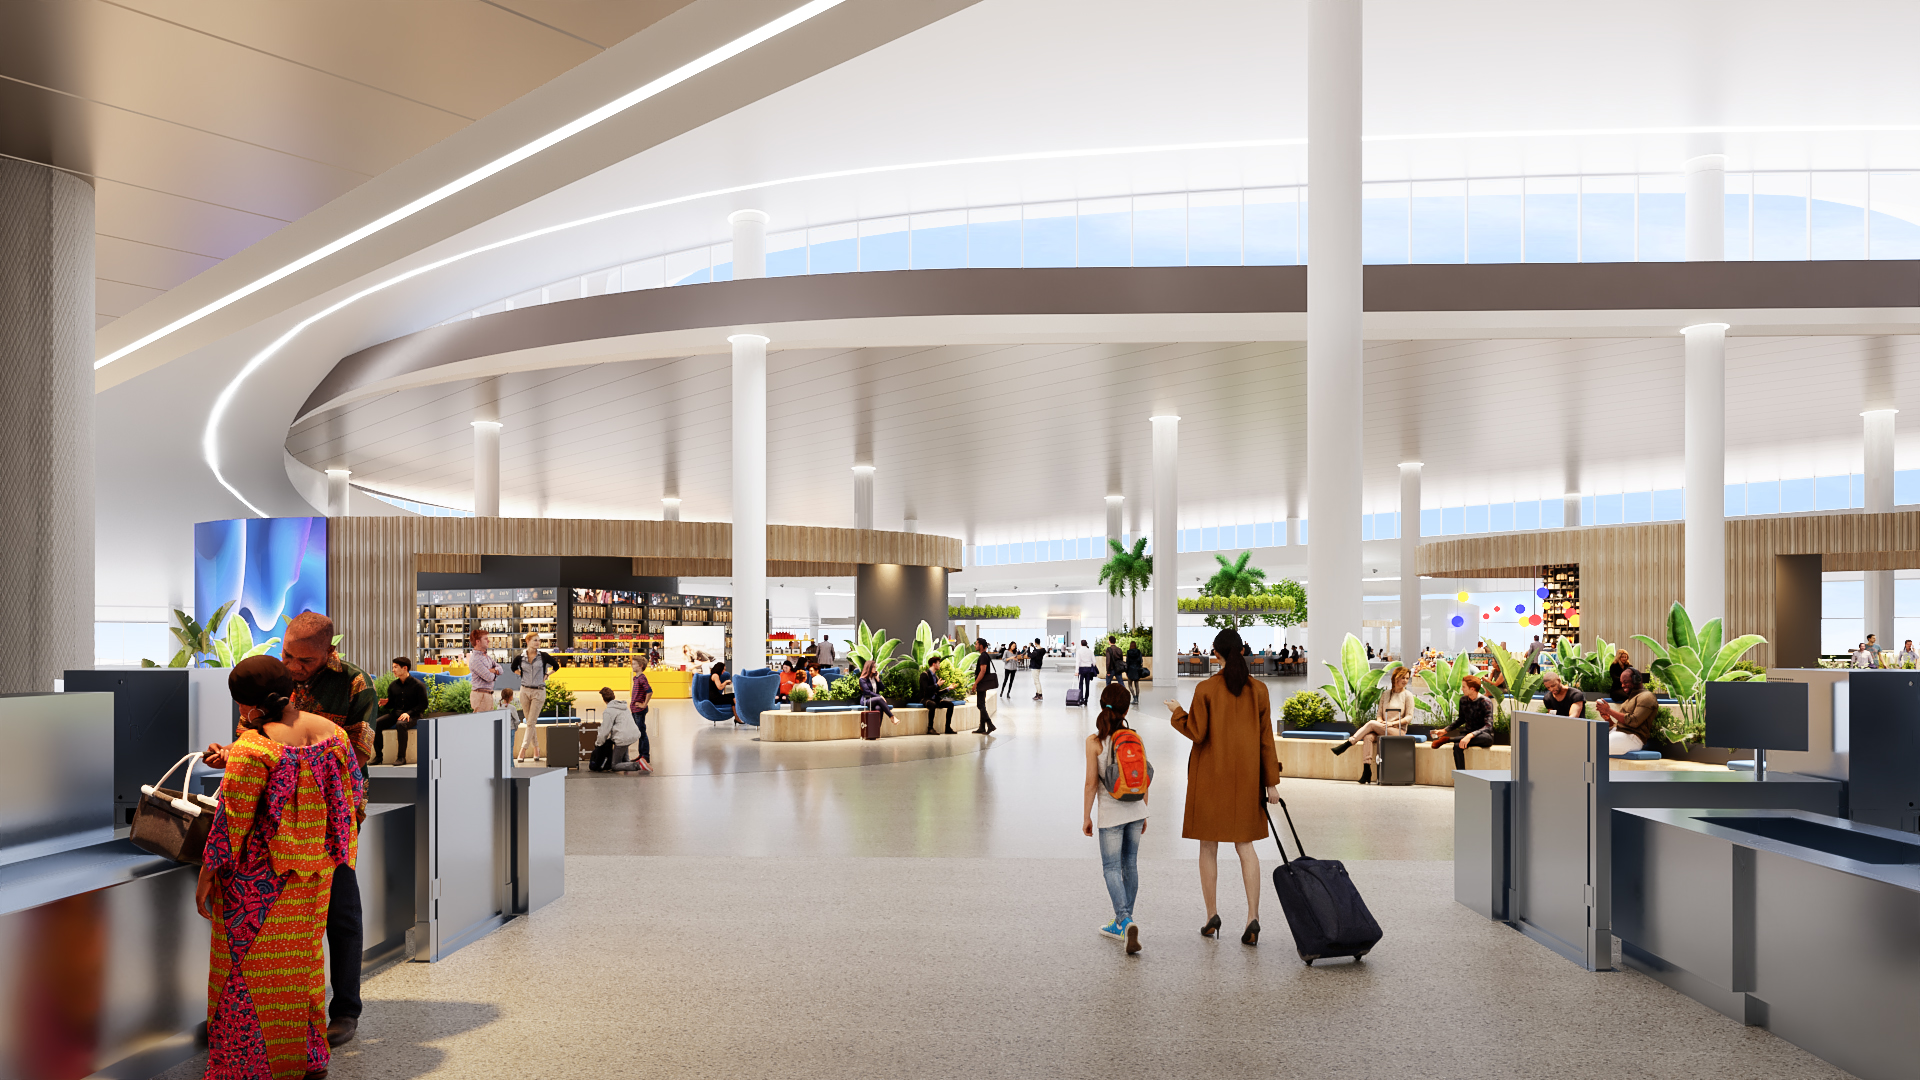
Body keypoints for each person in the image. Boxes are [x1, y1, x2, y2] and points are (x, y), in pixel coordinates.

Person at [198, 656, 364, 1080]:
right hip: (315, 875)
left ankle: (245, 1064)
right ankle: (308, 1059)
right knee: (303, 966)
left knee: (241, 972)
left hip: (258, 882)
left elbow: (231, 821)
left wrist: (207, 874)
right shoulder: (334, 736)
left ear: (248, 706)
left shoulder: (254, 748)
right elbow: (353, 799)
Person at [1166, 628, 1281, 947]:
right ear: (1242, 651)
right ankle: (1253, 917)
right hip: (1246, 779)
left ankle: (1212, 916)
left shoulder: (1205, 689)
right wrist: (1271, 781)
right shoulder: (1259, 690)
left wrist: (1177, 712)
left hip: (1210, 779)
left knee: (1208, 846)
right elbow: (1265, 739)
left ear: (1215, 654)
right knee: (1246, 848)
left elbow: (1197, 732)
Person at [1083, 682, 1147, 955]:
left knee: (1111, 868)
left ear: (1102, 706)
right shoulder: (1134, 737)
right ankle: (1124, 922)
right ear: (1126, 709)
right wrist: (1145, 811)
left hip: (1110, 814)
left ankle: (1124, 919)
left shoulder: (1094, 742)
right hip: (1136, 810)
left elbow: (1090, 783)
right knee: (1129, 865)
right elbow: (1146, 777)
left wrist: (1086, 815)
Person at [1330, 664, 1414, 784]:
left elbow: (1409, 717)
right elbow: (1379, 713)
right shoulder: (1385, 694)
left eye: (1407, 678)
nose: (1405, 681)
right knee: (1368, 737)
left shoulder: (1408, 695)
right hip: (1383, 728)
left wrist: (1392, 723)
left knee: (1370, 724)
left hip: (1397, 731)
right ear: (1395, 678)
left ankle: (1349, 743)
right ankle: (1367, 771)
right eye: (1403, 678)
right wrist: (1380, 721)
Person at [1429, 673, 1495, 770]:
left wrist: (1471, 735)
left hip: (1482, 735)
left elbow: (1488, 726)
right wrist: (1445, 730)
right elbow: (1461, 719)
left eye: (1464, 687)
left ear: (1472, 689)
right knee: (1457, 745)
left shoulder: (1486, 702)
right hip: (1465, 734)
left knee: (1486, 738)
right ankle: (1461, 776)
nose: (1462, 689)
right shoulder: (1463, 700)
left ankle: (1447, 739)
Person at [370, 656, 427, 766]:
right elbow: (392, 705)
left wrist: (408, 713)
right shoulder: (393, 685)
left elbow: (423, 705)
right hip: (396, 713)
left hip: (414, 715)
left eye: (396, 667)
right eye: (393, 667)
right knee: (376, 723)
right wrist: (387, 703)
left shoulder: (418, 685)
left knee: (401, 724)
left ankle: (401, 757)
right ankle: (378, 756)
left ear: (405, 668)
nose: (393, 670)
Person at [511, 632, 559, 761]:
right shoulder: (520, 657)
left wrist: (547, 674)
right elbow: (513, 667)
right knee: (530, 723)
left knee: (531, 721)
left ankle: (523, 749)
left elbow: (556, 666)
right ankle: (536, 749)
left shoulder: (543, 656)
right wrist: (520, 674)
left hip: (539, 691)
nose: (538, 643)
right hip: (524, 691)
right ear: (528, 641)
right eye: (535, 640)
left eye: (539, 640)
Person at [1596, 667, 1660, 755]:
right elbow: (1620, 726)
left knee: (1598, 747)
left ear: (1636, 680)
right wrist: (1608, 719)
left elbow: (1634, 722)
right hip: (1620, 734)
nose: (1622, 686)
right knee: (1588, 743)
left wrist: (1609, 710)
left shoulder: (1647, 697)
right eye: (1621, 683)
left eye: (1625, 682)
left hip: (1633, 738)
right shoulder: (1628, 700)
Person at [591, 687, 648, 773]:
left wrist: (598, 744)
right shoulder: (623, 707)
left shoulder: (608, 711)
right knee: (623, 744)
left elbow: (604, 732)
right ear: (614, 696)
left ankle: (638, 764)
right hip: (634, 734)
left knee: (615, 765)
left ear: (603, 699)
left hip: (623, 738)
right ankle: (627, 763)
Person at [918, 656, 957, 734]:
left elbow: (937, 692)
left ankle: (947, 728)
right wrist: (936, 685)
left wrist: (948, 688)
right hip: (925, 699)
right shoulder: (924, 675)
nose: (939, 665)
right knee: (933, 705)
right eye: (938, 663)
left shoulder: (936, 677)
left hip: (934, 699)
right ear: (933, 664)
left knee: (950, 705)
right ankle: (930, 728)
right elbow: (926, 689)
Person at [467, 628, 502, 713]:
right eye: (485, 639)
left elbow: (500, 669)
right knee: (480, 724)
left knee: (488, 724)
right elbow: (488, 677)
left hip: (487, 695)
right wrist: (494, 671)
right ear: (478, 641)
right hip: (480, 696)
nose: (489, 641)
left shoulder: (486, 656)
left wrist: (492, 670)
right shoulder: (475, 659)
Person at [628, 656, 653, 769]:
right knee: (639, 733)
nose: (632, 666)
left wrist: (644, 704)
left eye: (634, 664)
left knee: (642, 733)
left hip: (639, 710)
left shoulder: (642, 678)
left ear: (640, 666)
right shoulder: (636, 678)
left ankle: (645, 756)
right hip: (634, 709)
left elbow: (649, 691)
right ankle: (641, 755)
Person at [857, 659, 896, 725]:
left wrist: (878, 680)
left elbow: (883, 689)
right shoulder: (862, 679)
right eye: (874, 667)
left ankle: (877, 732)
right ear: (869, 668)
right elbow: (867, 692)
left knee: (879, 708)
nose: (875, 668)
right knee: (880, 698)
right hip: (866, 700)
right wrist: (879, 696)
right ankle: (891, 716)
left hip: (876, 700)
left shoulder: (875, 677)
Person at [973, 638, 998, 734]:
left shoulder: (983, 656)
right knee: (982, 704)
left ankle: (990, 724)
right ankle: (982, 727)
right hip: (983, 683)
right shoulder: (985, 655)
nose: (975, 646)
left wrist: (975, 683)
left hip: (981, 683)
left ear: (981, 646)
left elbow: (982, 671)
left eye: (976, 644)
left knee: (980, 705)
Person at [1074, 638, 1096, 703]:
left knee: (1081, 684)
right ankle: (1086, 699)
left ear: (1081, 644)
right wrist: (1092, 665)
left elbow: (1077, 661)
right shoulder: (1090, 651)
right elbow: (1094, 661)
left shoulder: (1078, 651)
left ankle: (1081, 698)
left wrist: (1076, 671)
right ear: (1086, 644)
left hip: (1081, 669)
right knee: (1087, 684)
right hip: (1088, 669)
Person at [1125, 638, 1146, 704]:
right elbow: (1141, 661)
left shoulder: (1128, 652)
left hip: (1130, 670)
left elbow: (1127, 662)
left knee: (1130, 685)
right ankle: (1137, 698)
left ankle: (1134, 697)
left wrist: (1126, 671)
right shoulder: (1138, 651)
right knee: (1137, 685)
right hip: (1137, 670)